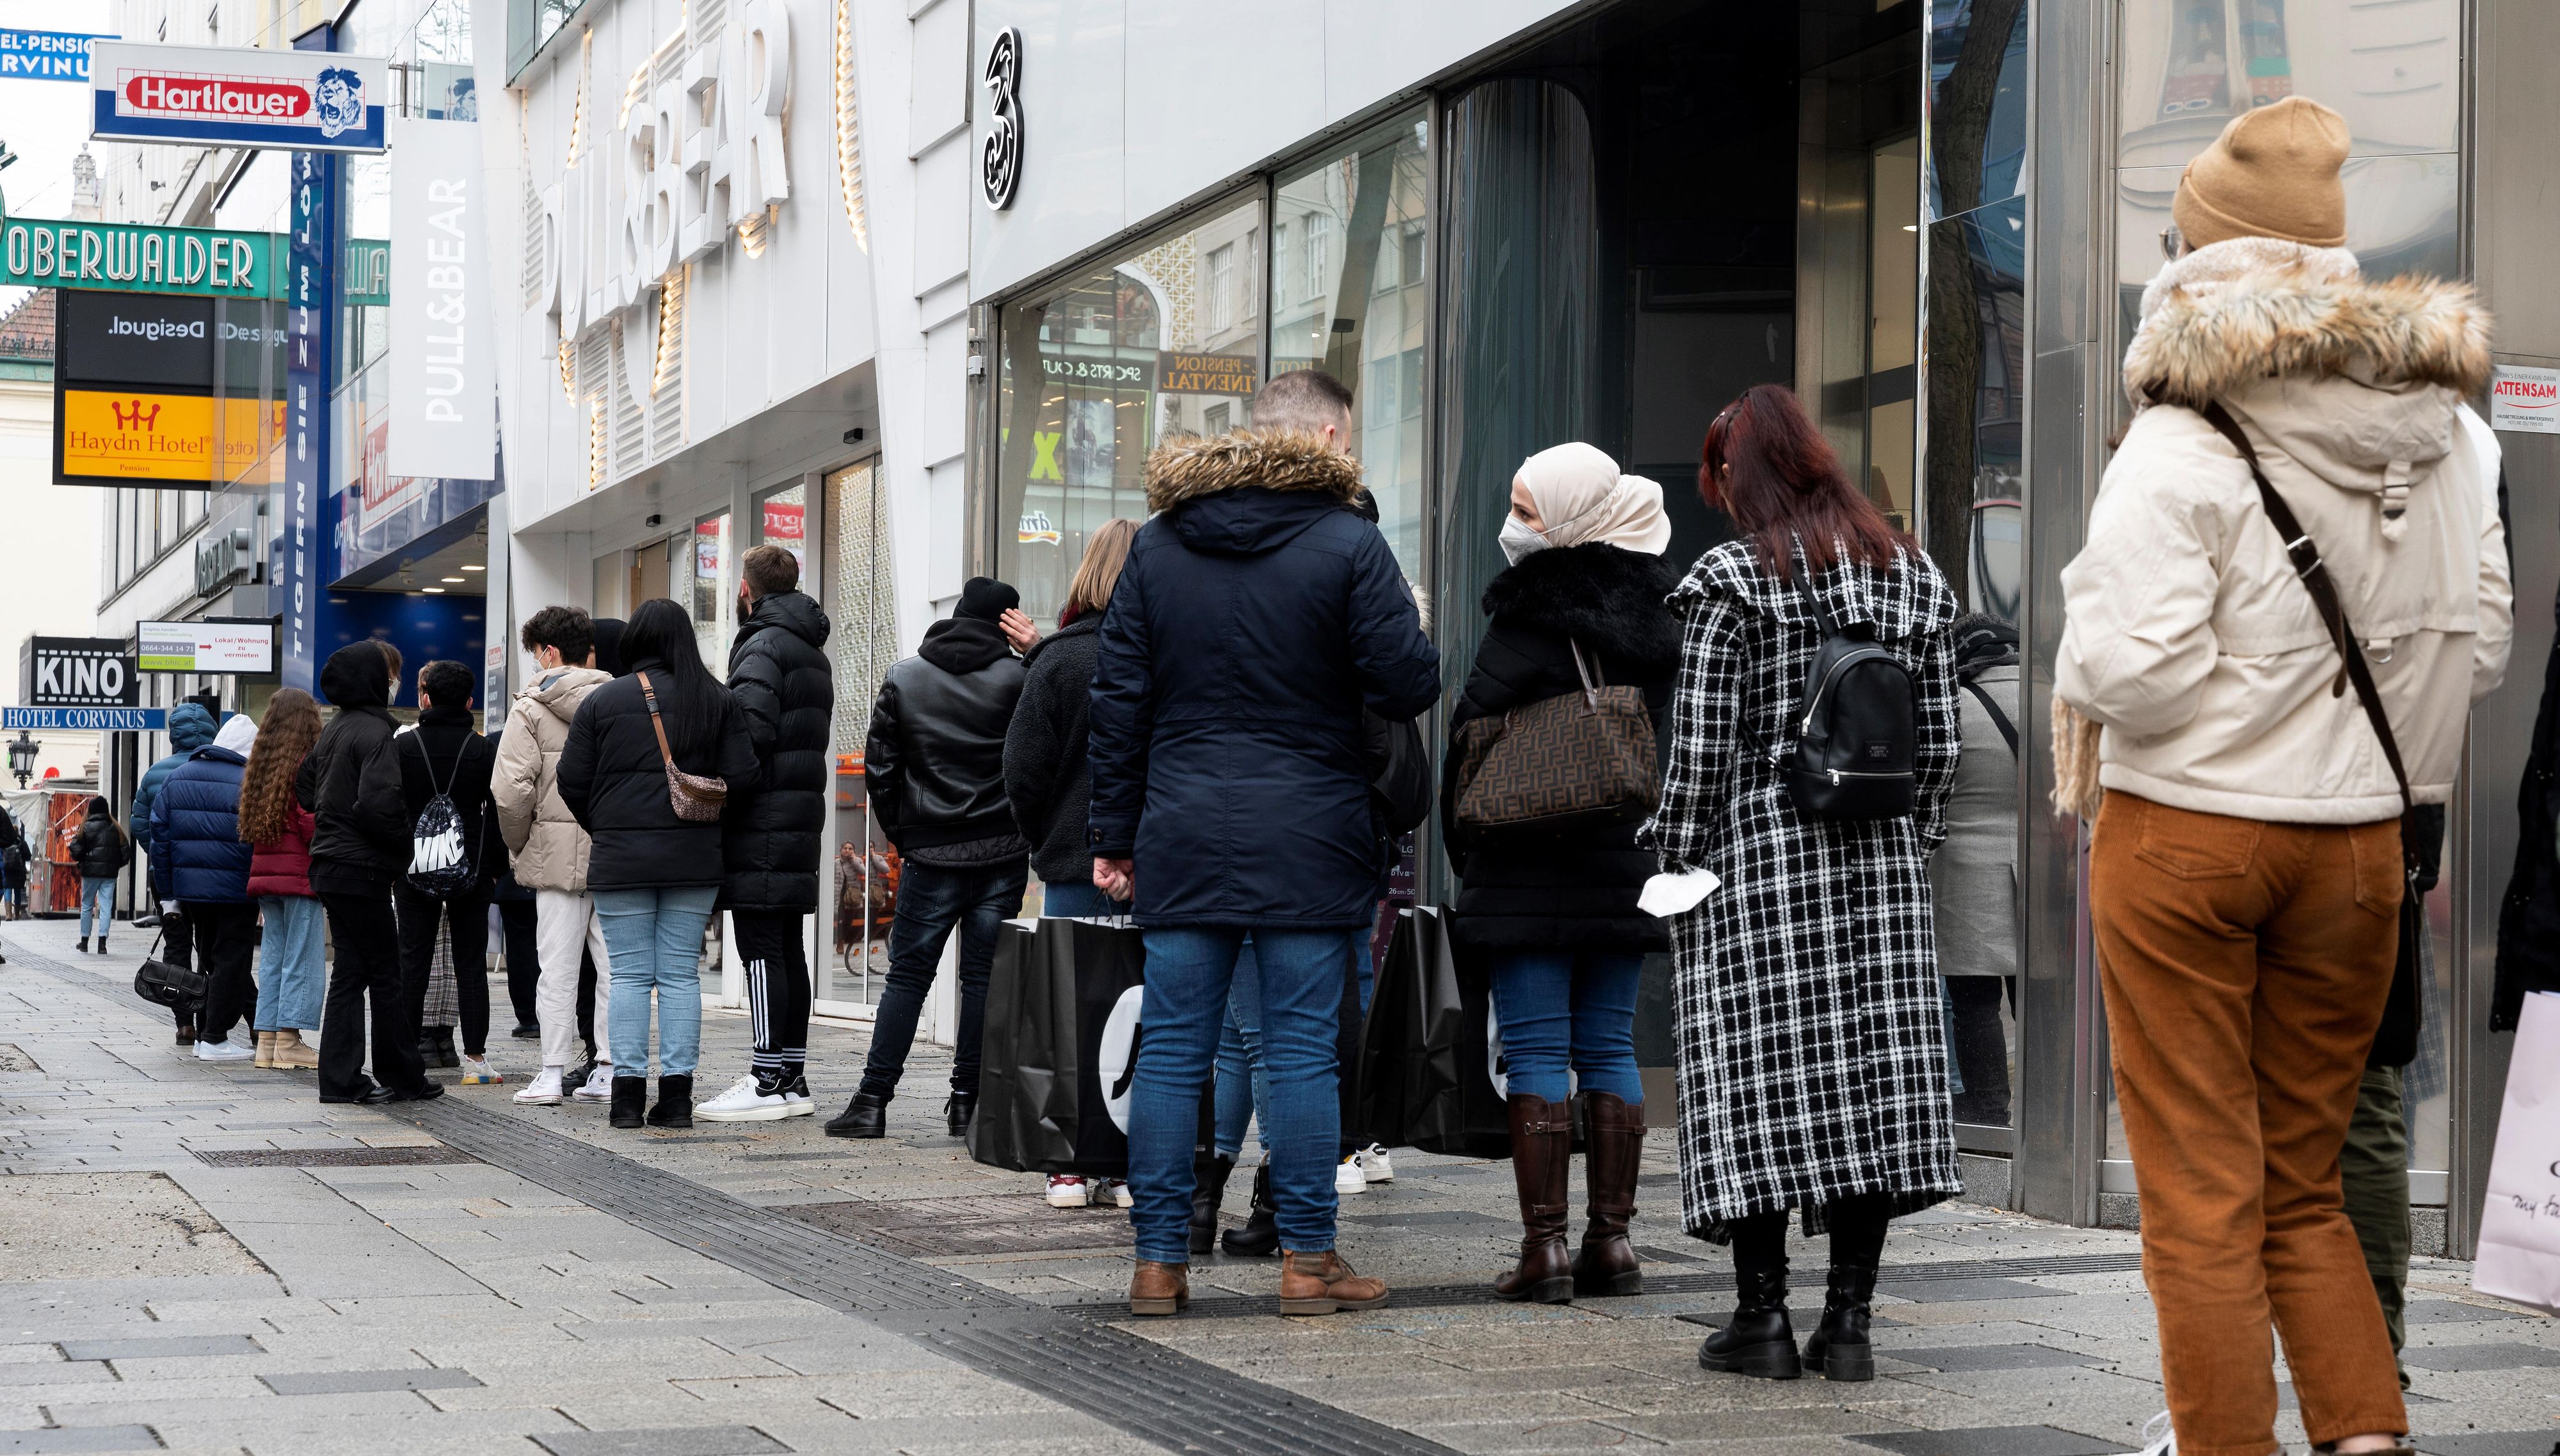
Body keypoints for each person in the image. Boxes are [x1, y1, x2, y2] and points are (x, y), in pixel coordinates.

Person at [2054, 97, 2508, 1456]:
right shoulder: (2446, 439)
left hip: (2185, 836)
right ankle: (2362, 1435)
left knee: (2198, 1192)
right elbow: (2477, 642)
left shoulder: (2182, 435)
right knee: (2301, 1181)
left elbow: (2124, 670)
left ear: (2190, 256)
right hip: (2360, 844)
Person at [1089, 366, 1440, 1319]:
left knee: (1172, 1049)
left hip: (1185, 829)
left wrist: (1113, 835)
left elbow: (1118, 702)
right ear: (1326, 440)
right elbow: (1408, 682)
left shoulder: (1158, 549)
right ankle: (1307, 1259)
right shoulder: (1347, 542)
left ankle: (1159, 1261)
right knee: (1298, 1050)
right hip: (1311, 830)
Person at [1639, 383, 1963, 1383]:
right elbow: (1941, 750)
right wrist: (1910, 843)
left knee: (1758, 1082)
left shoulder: (1731, 579)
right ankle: (1852, 1321)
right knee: (1870, 1082)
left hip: (1758, 865)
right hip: (1882, 873)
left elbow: (1698, 751)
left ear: (1742, 478)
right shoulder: (1911, 578)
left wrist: (1675, 856)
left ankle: (1762, 1317)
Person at [1445, 441, 1680, 1304]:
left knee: (1540, 1046)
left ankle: (1543, 1248)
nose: (1518, 524)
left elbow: (1471, 732)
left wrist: (1466, 855)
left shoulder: (1527, 617)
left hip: (1523, 859)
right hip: (1623, 859)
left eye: (1530, 509)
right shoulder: (1662, 612)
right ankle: (1611, 1244)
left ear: (1573, 512)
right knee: (1610, 1042)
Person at [831, 576, 1035, 1140]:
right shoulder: (1020, 678)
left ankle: (872, 1101)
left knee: (908, 977)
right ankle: (968, 1101)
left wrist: (906, 835)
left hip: (932, 851)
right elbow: (1034, 762)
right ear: (1006, 622)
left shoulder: (905, 676)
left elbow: (880, 770)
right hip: (1001, 850)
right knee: (982, 980)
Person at [557, 598, 758, 1131]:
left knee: (626, 975)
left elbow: (571, 780)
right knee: (677, 976)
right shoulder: (717, 698)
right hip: (694, 858)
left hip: (621, 860)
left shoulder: (604, 701)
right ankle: (675, 1100)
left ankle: (625, 1099)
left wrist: (607, 825)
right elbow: (743, 776)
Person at [1004, 518, 1141, 1203]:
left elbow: (1021, 769)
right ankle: (1124, 1166)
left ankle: (1067, 1163)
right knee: (1141, 1014)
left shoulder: (1057, 659)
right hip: (1150, 863)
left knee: (1069, 1012)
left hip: (1069, 864)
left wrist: (1047, 839)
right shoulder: (1161, 657)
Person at [700, 545, 835, 1122]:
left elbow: (748, 736)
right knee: (785, 951)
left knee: (759, 951)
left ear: (747, 591)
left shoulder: (761, 645)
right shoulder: (810, 648)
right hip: (798, 821)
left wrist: (718, 786)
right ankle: (792, 1077)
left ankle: (764, 1077)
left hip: (762, 824)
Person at [300, 639, 441, 1106]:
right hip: (363, 870)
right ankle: (402, 1075)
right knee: (386, 972)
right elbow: (378, 804)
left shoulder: (334, 728)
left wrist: (333, 811)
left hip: (330, 865)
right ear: (375, 681)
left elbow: (304, 788)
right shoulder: (377, 733)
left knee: (351, 970)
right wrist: (404, 842)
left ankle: (341, 1078)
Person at [493, 606, 616, 1108]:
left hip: (554, 858)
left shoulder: (529, 709)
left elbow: (509, 792)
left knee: (557, 968)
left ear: (548, 652)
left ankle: (551, 1072)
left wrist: (522, 844)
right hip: (612, 858)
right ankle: (609, 1068)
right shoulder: (622, 700)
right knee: (615, 970)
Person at [395, 660, 505, 1085]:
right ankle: (475, 1059)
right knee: (470, 964)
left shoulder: (404, 747)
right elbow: (497, 811)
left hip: (414, 867)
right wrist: (491, 867)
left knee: (412, 961)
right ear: (470, 702)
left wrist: (398, 859)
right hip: (471, 869)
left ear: (425, 697)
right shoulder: (482, 750)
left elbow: (389, 806)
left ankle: (405, 1055)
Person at [1933, 614, 2021, 1127]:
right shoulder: (2055, 699)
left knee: (1975, 1003)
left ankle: (1988, 1107)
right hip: (2045, 872)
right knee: (2039, 1000)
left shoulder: (1953, 704)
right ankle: (2053, 1105)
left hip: (1968, 871)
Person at [153, 713, 262, 1062]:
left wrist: (170, 897)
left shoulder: (177, 778)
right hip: (235, 890)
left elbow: (160, 843)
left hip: (191, 892)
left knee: (209, 957)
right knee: (232, 960)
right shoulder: (250, 783)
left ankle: (203, 1033)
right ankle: (215, 1037)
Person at [241, 689, 325, 1071]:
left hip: (267, 877)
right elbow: (310, 823)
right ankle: (290, 1041)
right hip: (299, 875)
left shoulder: (261, 764)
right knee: (303, 957)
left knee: (273, 956)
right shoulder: (305, 763)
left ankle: (268, 1042)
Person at [131, 700, 219, 1018]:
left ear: (174, 735)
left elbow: (139, 822)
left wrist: (158, 855)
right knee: (210, 946)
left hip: (166, 876)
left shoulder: (156, 772)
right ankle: (210, 1022)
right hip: (208, 874)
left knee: (177, 945)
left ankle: (183, 1024)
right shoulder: (219, 769)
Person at [66, 796, 132, 955]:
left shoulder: (86, 827)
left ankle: (84, 941)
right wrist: (114, 865)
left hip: (90, 873)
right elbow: (126, 852)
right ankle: (102, 943)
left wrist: (83, 859)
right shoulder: (115, 828)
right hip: (109, 874)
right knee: (106, 906)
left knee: (87, 906)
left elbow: (75, 847)